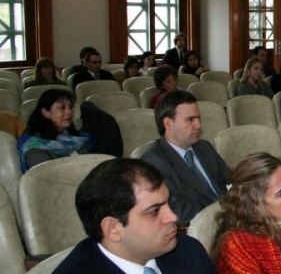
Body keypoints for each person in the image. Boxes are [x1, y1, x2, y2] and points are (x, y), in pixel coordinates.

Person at [52, 158, 217, 274]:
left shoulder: (188, 250)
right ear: (113, 229)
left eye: (168, 203)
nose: (173, 217)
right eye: (154, 211)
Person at [141, 90, 229, 225]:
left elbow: (230, 180)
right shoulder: (153, 162)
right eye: (190, 120)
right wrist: (221, 205)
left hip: (231, 219)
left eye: (199, 118)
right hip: (200, 229)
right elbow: (177, 210)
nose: (198, 125)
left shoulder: (204, 147)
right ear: (168, 124)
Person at [17, 89, 93, 172]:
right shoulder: (35, 149)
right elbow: (47, 180)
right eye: (61, 108)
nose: (69, 112)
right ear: (45, 113)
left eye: (70, 107)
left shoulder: (76, 138)